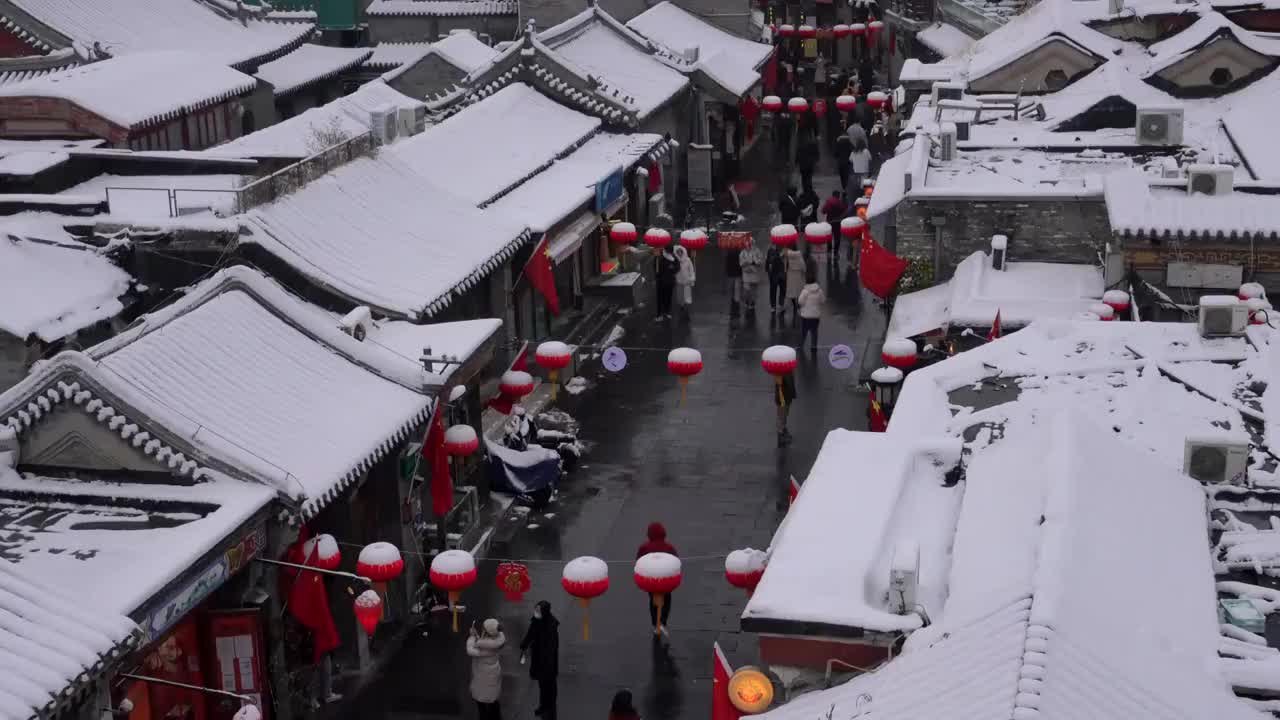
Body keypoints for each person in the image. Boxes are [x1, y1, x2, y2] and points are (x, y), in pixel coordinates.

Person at [636, 522, 677, 636]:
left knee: (653, 601)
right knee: (667, 600)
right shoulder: (669, 547)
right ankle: (663, 621)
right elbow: (675, 560)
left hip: (651, 580)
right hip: (666, 580)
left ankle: (655, 624)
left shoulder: (644, 547)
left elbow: (639, 561)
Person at [520, 601, 560, 719]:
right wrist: (524, 644)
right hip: (539, 659)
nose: (536, 612)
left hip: (548, 663)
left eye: (538, 610)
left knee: (550, 686)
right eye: (536, 609)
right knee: (542, 686)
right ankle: (543, 706)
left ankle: (549, 707)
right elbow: (531, 633)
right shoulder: (536, 621)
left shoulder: (551, 626)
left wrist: (547, 664)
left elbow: (552, 648)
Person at [467, 618, 506, 720]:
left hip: (483, 676)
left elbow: (470, 649)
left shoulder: (483, 647)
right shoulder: (496, 641)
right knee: (492, 698)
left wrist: (472, 636)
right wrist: (477, 636)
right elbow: (484, 643)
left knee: (481, 701)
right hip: (493, 672)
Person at [797, 271, 826, 353]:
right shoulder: (819, 290)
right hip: (815, 316)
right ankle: (814, 346)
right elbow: (823, 300)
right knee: (814, 332)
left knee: (803, 332)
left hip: (805, 316)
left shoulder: (805, 291)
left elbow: (800, 301)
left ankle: (801, 345)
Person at [774, 369, 797, 447]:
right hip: (782, 392)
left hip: (787, 391)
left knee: (786, 411)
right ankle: (781, 434)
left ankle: (783, 429)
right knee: (782, 413)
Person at [654, 246, 678, 320]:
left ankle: (667, 312)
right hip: (660, 282)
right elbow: (655, 269)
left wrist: (672, 268)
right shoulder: (659, 258)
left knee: (668, 298)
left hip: (669, 282)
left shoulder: (674, 259)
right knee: (660, 299)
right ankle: (659, 314)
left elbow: (677, 268)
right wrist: (656, 259)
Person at [739, 244, 764, 311]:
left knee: (754, 291)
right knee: (747, 290)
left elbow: (761, 261)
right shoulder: (743, 252)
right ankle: (747, 302)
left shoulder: (757, 251)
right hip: (746, 274)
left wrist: (755, 261)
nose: (749, 245)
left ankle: (752, 303)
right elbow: (740, 263)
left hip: (755, 275)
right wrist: (746, 262)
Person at [674, 245, 696, 320]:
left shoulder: (688, 260)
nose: (679, 253)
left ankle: (687, 311)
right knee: (680, 297)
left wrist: (692, 279)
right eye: (678, 252)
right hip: (679, 282)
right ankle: (682, 307)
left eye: (681, 251)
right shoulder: (675, 261)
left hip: (687, 282)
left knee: (687, 297)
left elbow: (691, 270)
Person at [847, 139, 872, 204]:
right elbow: (870, 159)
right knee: (864, 184)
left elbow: (850, 160)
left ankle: (857, 196)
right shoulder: (866, 151)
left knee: (857, 184)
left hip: (856, 170)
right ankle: (864, 196)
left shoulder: (853, 152)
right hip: (864, 170)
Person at [784, 245, 806, 317]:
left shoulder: (787, 256)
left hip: (790, 275)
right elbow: (803, 266)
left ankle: (794, 304)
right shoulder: (799, 255)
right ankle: (798, 305)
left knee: (792, 292)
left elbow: (785, 266)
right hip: (798, 275)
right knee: (798, 291)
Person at [796, 131, 819, 195]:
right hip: (810, 164)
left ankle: (805, 190)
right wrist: (816, 160)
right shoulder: (813, 145)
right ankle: (809, 189)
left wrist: (797, 162)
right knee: (809, 177)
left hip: (802, 164)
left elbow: (797, 154)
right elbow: (816, 154)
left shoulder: (800, 145)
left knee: (804, 177)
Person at [766, 244, 786, 313]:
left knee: (782, 290)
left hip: (782, 273)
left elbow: (786, 261)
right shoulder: (771, 250)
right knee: (773, 291)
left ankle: (781, 305)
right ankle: (773, 306)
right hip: (774, 274)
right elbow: (769, 261)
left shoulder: (784, 250)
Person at [724, 241, 743, 312]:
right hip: (737, 273)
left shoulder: (728, 253)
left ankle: (733, 299)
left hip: (731, 273)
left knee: (732, 287)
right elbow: (741, 264)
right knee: (737, 288)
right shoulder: (739, 252)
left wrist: (726, 272)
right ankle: (736, 301)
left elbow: (727, 264)